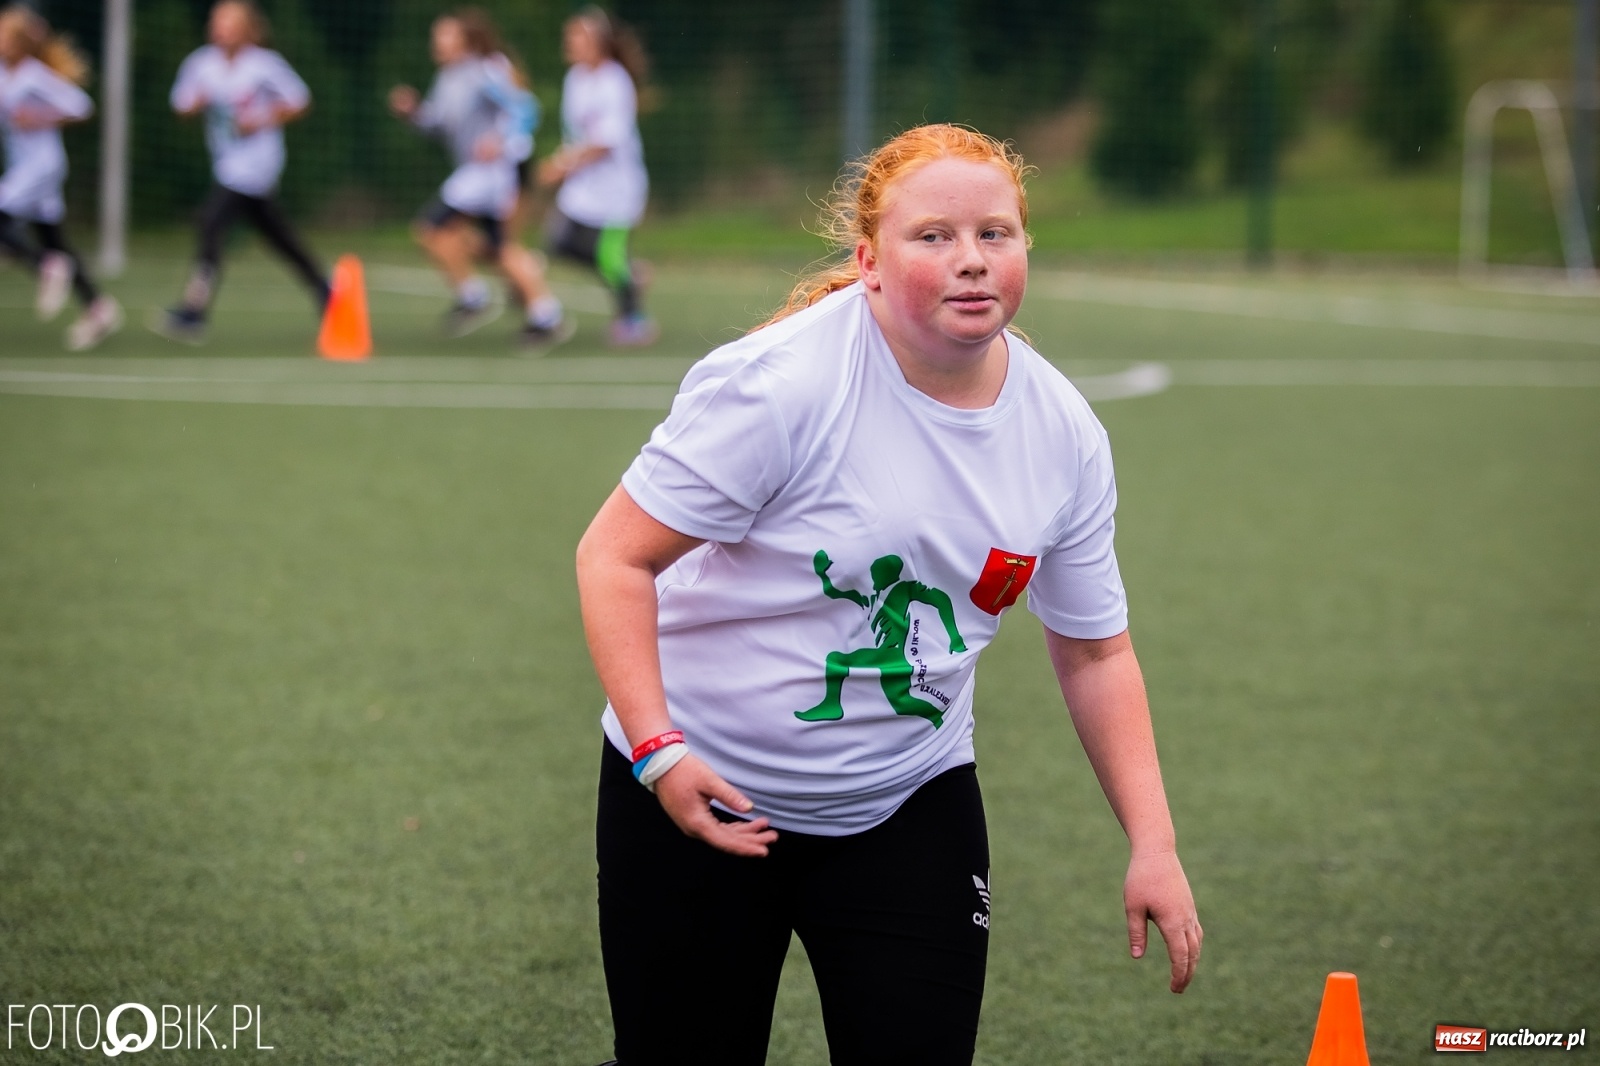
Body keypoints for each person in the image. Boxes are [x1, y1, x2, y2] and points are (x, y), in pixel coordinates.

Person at [574, 124, 1202, 1066]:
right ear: (869, 261)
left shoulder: (1062, 431)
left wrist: (1153, 842)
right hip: (696, 798)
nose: (972, 262)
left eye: (997, 234)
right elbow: (612, 557)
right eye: (934, 237)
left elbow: (1094, 648)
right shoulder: (780, 386)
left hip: (903, 804)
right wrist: (660, 754)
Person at [151, 0, 329, 345]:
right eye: (218, 21)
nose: (222, 29)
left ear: (248, 28)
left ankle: (194, 310)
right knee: (278, 235)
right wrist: (196, 104)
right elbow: (181, 106)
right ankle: (326, 291)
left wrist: (262, 119)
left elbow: (299, 101)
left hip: (258, 162)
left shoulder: (264, 65)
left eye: (230, 22)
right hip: (226, 162)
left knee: (210, 220)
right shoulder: (201, 64)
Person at [389, 8, 569, 347]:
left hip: (489, 176)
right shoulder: (449, 77)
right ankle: (545, 314)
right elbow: (437, 125)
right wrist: (413, 113)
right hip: (475, 176)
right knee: (498, 248)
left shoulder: (484, 71)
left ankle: (474, 297)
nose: (437, 43)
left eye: (445, 36)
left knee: (431, 228)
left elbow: (525, 108)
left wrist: (500, 141)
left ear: (466, 39)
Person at [0, 5, 122, 350]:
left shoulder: (33, 76)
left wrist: (40, 117)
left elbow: (81, 106)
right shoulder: (4, 75)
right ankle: (99, 309)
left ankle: (42, 265)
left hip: (42, 166)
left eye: (5, 36)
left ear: (21, 44)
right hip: (24, 168)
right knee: (54, 238)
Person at [537, 6, 655, 347]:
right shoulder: (574, 79)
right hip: (584, 184)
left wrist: (562, 166)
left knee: (608, 254)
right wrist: (562, 160)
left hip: (618, 187)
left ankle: (635, 319)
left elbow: (606, 142)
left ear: (598, 42)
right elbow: (577, 135)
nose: (570, 42)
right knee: (558, 241)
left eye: (577, 36)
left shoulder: (614, 80)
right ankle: (631, 275)